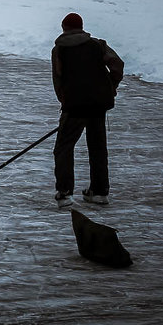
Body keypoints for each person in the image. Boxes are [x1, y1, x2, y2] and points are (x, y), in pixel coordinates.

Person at [51, 12, 125, 207]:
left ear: (64, 28)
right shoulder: (97, 45)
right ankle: (100, 192)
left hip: (74, 107)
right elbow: (117, 65)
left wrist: (66, 101)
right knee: (97, 147)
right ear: (82, 27)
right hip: (98, 105)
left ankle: (65, 193)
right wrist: (110, 87)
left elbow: (57, 81)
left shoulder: (59, 50)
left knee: (64, 148)